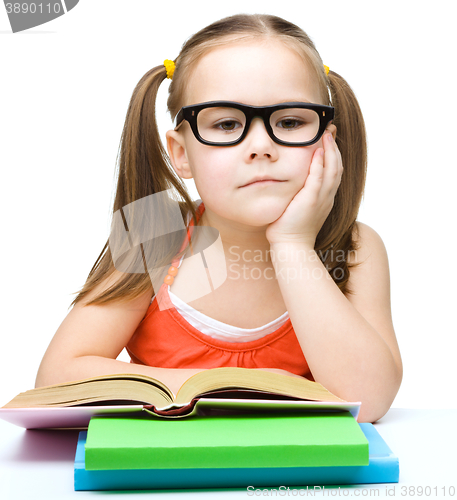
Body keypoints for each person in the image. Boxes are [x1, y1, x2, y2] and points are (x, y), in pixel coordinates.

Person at [35, 13, 402, 423]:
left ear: (327, 140)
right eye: (227, 124)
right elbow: (56, 379)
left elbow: (369, 399)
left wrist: (293, 245)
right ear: (181, 153)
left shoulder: (354, 248)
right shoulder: (155, 235)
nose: (261, 146)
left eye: (291, 121)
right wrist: (220, 392)